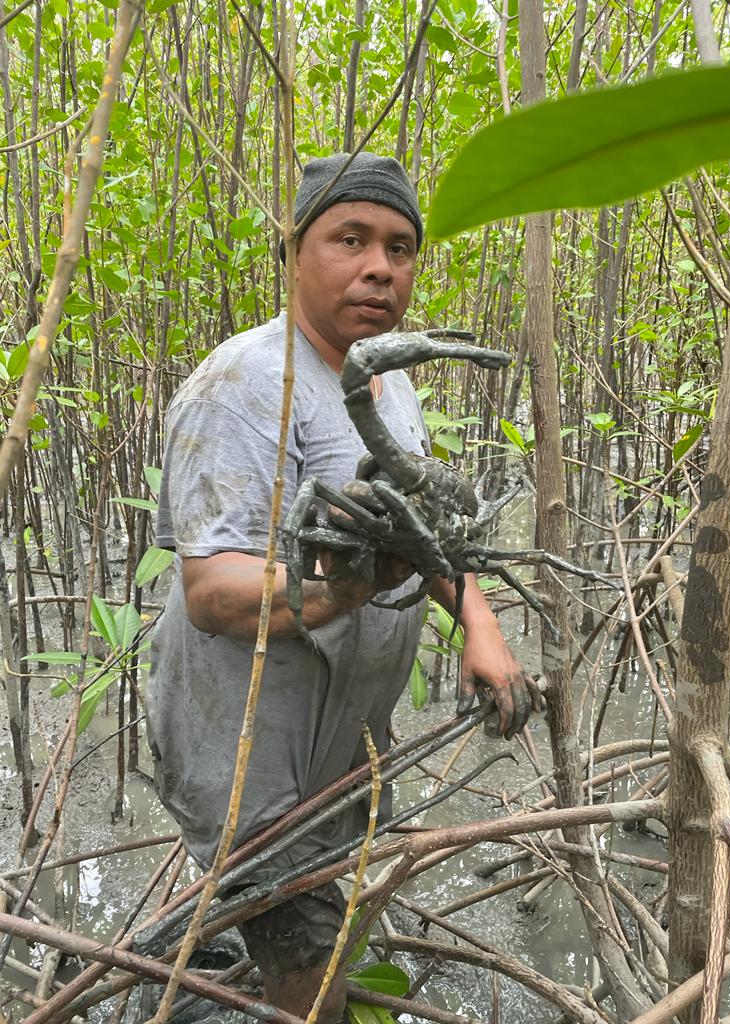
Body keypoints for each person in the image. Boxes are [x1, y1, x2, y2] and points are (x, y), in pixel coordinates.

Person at [147, 152, 536, 1023]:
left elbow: (424, 532)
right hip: (252, 755)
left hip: (340, 739)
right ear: (294, 252)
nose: (380, 268)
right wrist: (346, 591)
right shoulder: (241, 386)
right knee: (308, 970)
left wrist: (481, 625)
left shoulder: (388, 384)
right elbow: (213, 593)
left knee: (322, 911)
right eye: (349, 239)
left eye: (400, 247)